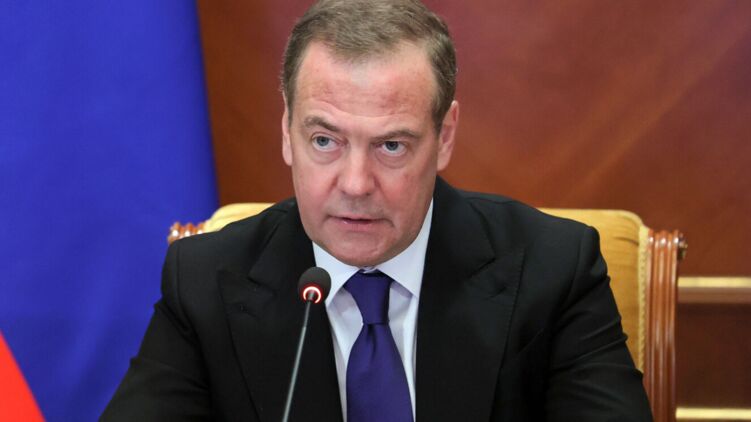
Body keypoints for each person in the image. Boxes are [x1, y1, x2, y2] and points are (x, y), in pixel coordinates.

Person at [102, 0, 653, 420]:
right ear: (287, 131)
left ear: (445, 136)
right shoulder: (205, 282)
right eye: (325, 141)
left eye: (391, 145)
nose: (356, 184)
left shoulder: (553, 269)